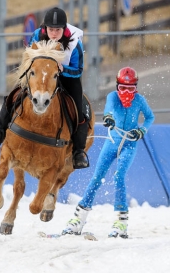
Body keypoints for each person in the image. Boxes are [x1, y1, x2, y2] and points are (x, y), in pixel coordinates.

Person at [0, 7, 89, 169]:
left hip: (67, 76)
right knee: (14, 94)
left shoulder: (75, 44)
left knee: (79, 109)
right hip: (40, 75)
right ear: (45, 28)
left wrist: (64, 70)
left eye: (57, 30)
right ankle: (0, 130)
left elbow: (79, 70)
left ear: (64, 29)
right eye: (50, 29)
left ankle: (79, 151)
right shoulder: (37, 36)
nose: (53, 33)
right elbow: (28, 57)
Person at [62, 66, 155, 238]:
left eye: (131, 89)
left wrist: (141, 131)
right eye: (122, 88)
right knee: (97, 177)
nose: (126, 93)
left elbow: (150, 117)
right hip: (112, 142)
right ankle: (79, 218)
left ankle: (121, 220)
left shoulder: (140, 101)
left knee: (119, 176)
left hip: (129, 144)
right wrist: (108, 118)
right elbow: (108, 109)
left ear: (136, 88)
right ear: (116, 86)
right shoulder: (113, 97)